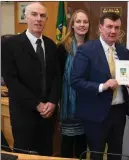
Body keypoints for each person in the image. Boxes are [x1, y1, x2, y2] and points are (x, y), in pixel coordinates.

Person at [70, 12, 129, 160]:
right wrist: (102, 86)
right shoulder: (86, 50)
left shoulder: (124, 51)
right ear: (100, 28)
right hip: (95, 113)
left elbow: (125, 77)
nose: (113, 31)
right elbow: (76, 81)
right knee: (96, 154)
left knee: (116, 154)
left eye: (117, 27)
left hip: (119, 111)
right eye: (109, 26)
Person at [1, 2, 61, 156]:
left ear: (46, 20)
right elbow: (11, 80)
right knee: (24, 154)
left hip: (48, 114)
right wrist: (36, 104)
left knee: (46, 154)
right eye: (34, 14)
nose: (38, 19)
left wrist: (53, 102)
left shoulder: (51, 45)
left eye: (42, 16)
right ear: (26, 17)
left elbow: (56, 76)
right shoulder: (10, 44)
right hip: (24, 113)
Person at [56, 9, 90, 158]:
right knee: (67, 147)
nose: (82, 25)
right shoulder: (62, 48)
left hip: (87, 106)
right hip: (68, 108)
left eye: (85, 21)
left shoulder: (93, 47)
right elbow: (56, 77)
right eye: (78, 21)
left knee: (83, 146)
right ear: (72, 25)